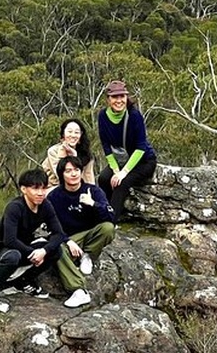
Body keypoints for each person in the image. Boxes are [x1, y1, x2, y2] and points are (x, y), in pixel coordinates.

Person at [0, 169, 66, 314]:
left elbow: (59, 234)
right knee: (13, 256)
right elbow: (9, 240)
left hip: (24, 245)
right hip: (2, 248)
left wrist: (43, 251)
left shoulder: (46, 205)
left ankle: (23, 281)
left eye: (44, 188)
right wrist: (33, 253)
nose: (40, 193)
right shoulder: (15, 207)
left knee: (56, 250)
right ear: (24, 189)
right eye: (35, 188)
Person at [47, 155, 115, 308]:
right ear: (61, 175)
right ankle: (78, 290)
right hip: (69, 238)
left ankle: (88, 255)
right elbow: (52, 226)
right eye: (68, 171)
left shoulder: (93, 191)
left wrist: (93, 204)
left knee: (108, 229)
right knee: (55, 248)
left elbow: (111, 217)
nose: (73, 174)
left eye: (77, 170)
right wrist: (67, 241)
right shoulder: (54, 196)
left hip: (91, 234)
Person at [97, 80, 157, 222]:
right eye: (115, 97)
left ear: (126, 98)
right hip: (121, 160)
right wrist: (116, 170)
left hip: (143, 161)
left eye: (122, 97)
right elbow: (106, 145)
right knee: (104, 178)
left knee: (121, 183)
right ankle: (108, 210)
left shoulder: (134, 116)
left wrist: (123, 173)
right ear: (108, 99)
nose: (119, 101)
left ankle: (110, 221)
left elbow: (141, 147)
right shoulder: (103, 116)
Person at [41, 118, 96, 187]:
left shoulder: (86, 153)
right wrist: (73, 158)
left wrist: (93, 192)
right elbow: (60, 176)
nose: (73, 135)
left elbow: (89, 177)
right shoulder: (53, 151)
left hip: (81, 188)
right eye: (69, 132)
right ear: (63, 134)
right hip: (57, 187)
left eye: (76, 132)